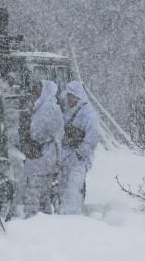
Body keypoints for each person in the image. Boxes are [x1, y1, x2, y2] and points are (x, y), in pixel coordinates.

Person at [23, 80, 64, 218]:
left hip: (42, 154)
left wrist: (30, 137)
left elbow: (39, 131)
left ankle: (32, 218)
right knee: (44, 191)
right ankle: (44, 218)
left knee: (33, 189)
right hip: (49, 154)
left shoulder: (46, 107)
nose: (33, 95)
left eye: (36, 92)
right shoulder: (50, 106)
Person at [58, 80, 100, 214]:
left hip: (78, 161)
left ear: (78, 95)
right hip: (67, 159)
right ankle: (64, 216)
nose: (68, 98)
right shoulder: (70, 110)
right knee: (64, 191)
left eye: (71, 95)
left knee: (73, 190)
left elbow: (92, 136)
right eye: (68, 95)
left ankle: (73, 218)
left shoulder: (88, 112)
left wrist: (80, 154)